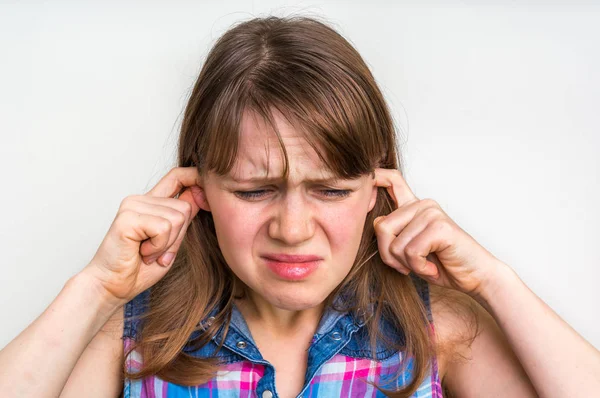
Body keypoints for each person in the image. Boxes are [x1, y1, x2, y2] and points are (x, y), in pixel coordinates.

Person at [1, 15, 599, 398]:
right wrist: (96, 287)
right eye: (254, 190)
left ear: (379, 189)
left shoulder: (438, 333)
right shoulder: (133, 342)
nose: (292, 229)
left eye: (332, 191)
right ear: (196, 191)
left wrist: (495, 281)